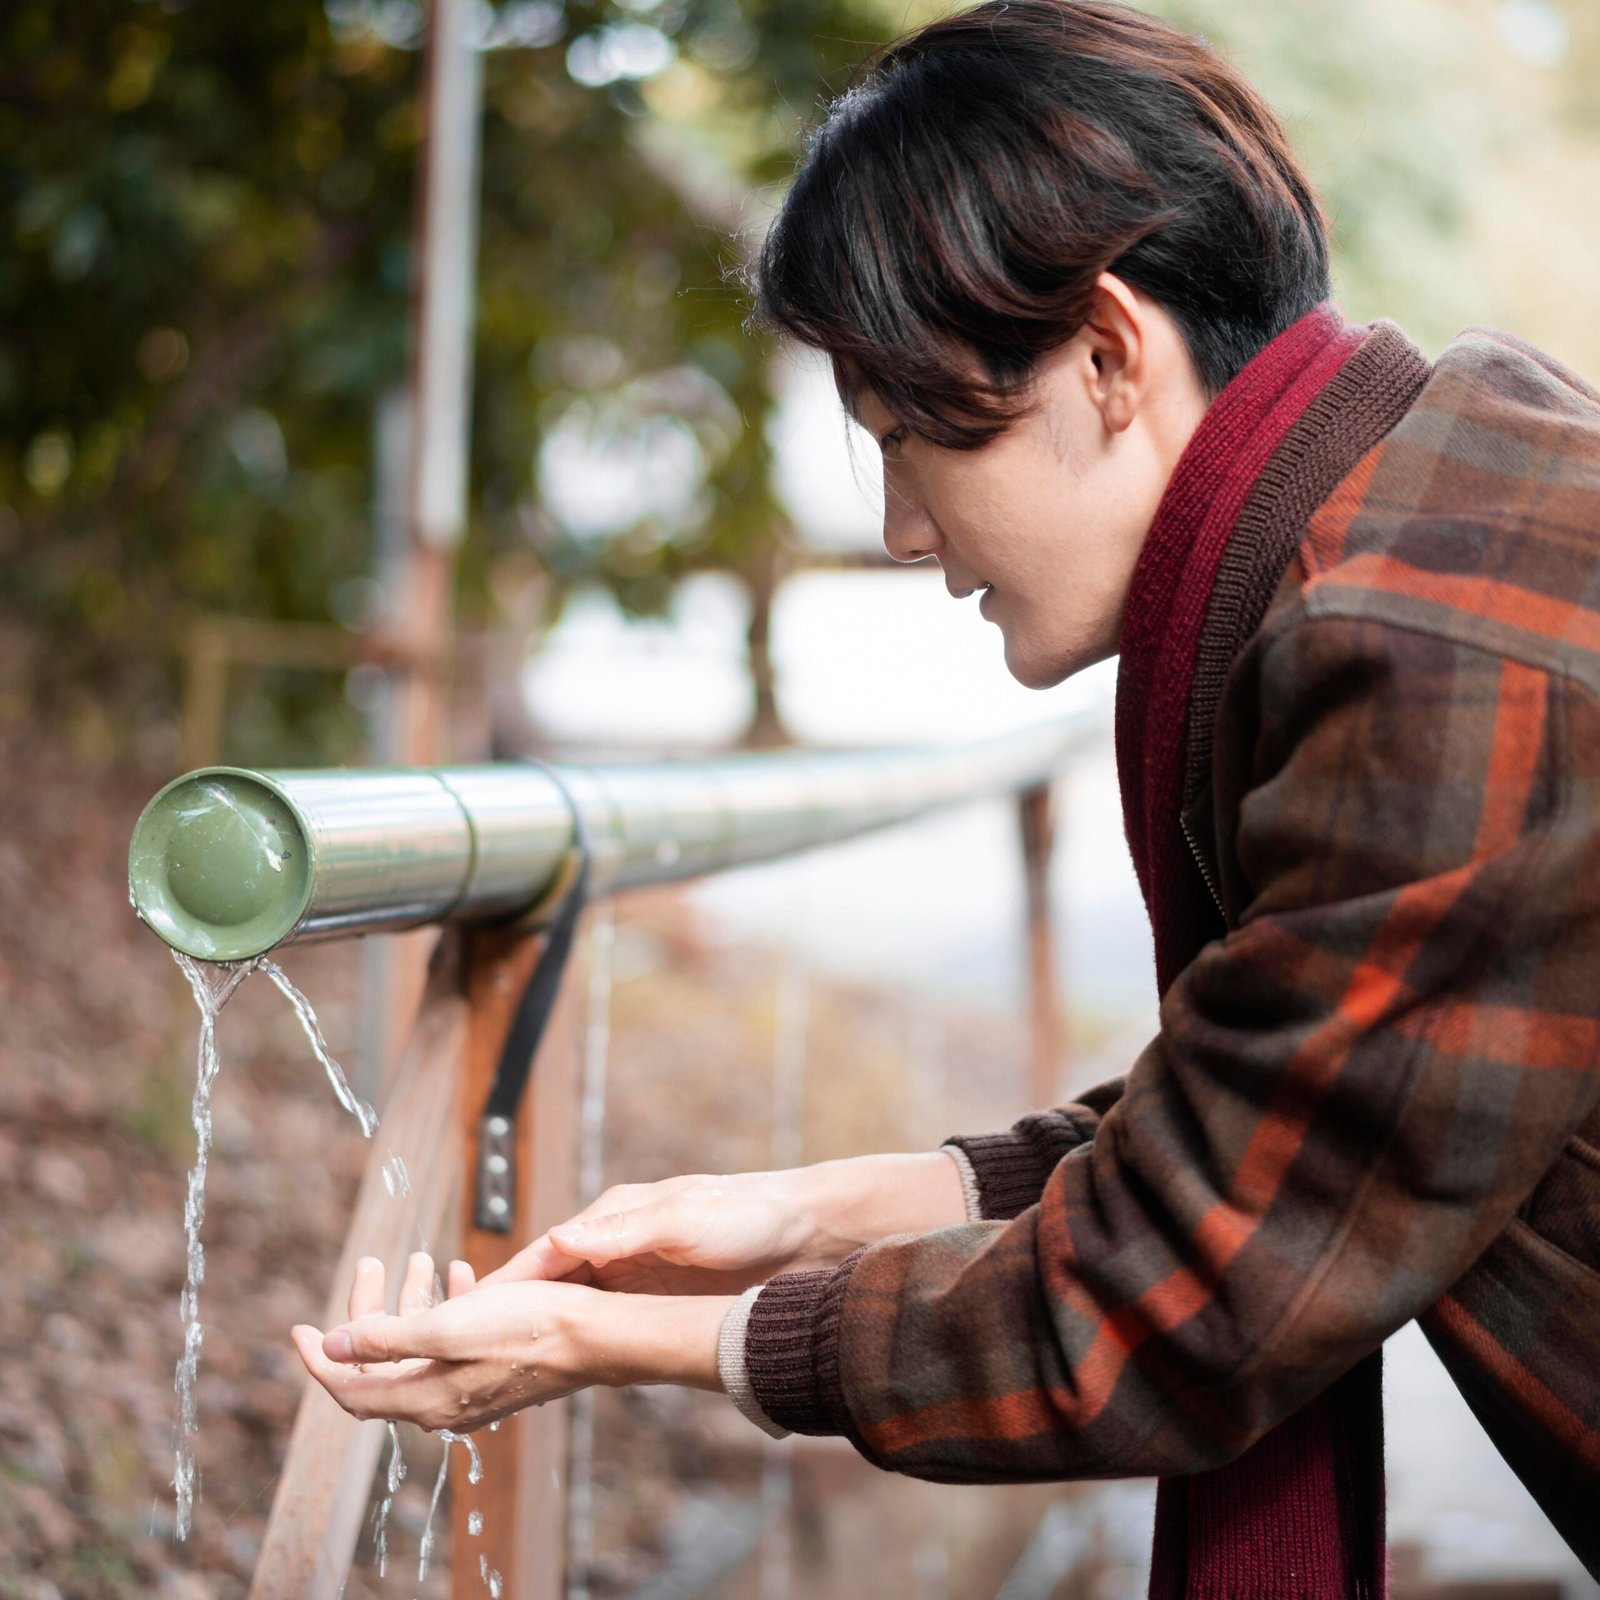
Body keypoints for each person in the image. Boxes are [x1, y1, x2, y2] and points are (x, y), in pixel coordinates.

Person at [293, 0, 1600, 1590]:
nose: (907, 530)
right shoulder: (1441, 497)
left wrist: (613, 1338)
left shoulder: (1423, 644)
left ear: (1111, 354)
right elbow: (1302, 1113)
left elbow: (1182, 1294)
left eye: (917, 436)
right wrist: (819, 1209)